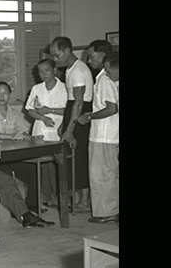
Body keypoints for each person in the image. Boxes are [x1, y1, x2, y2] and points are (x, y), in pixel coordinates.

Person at [0, 81, 54, 227]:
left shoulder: (15, 114)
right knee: (6, 177)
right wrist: (10, 136)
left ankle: (31, 206)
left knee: (34, 169)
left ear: (10, 95)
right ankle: (18, 211)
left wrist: (32, 138)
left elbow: (22, 133)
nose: (2, 96)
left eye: (5, 93)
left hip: (12, 156)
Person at [49, 36, 94, 211]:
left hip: (80, 113)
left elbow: (79, 103)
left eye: (57, 55)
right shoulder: (70, 69)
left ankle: (84, 201)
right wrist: (64, 124)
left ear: (67, 51)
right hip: (73, 110)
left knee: (80, 157)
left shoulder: (78, 71)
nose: (55, 59)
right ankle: (75, 198)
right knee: (74, 158)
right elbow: (72, 102)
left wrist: (70, 129)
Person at [78, 51, 119, 223]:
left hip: (104, 135)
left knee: (101, 175)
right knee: (108, 174)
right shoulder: (105, 78)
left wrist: (89, 116)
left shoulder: (104, 79)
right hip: (108, 134)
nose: (90, 60)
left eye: (94, 56)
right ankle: (110, 210)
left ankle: (106, 212)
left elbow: (111, 108)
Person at [25, 59, 68, 209]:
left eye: (46, 70)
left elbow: (67, 110)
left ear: (54, 70)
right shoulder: (37, 89)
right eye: (40, 71)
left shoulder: (64, 88)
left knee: (57, 164)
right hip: (40, 131)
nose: (43, 74)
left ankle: (60, 196)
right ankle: (45, 195)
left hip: (58, 130)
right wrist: (42, 117)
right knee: (41, 165)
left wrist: (49, 110)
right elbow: (30, 110)